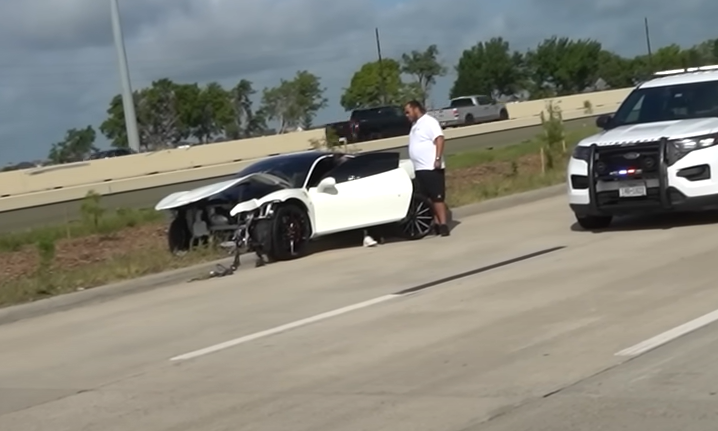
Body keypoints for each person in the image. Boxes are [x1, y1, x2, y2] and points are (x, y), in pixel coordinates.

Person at [404, 100, 450, 237]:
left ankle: (443, 225)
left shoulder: (429, 121)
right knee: (427, 199)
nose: (406, 115)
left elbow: (440, 139)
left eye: (408, 112)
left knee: (437, 198)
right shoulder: (415, 125)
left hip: (431, 167)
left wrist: (437, 159)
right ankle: (435, 224)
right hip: (420, 168)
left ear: (416, 109)